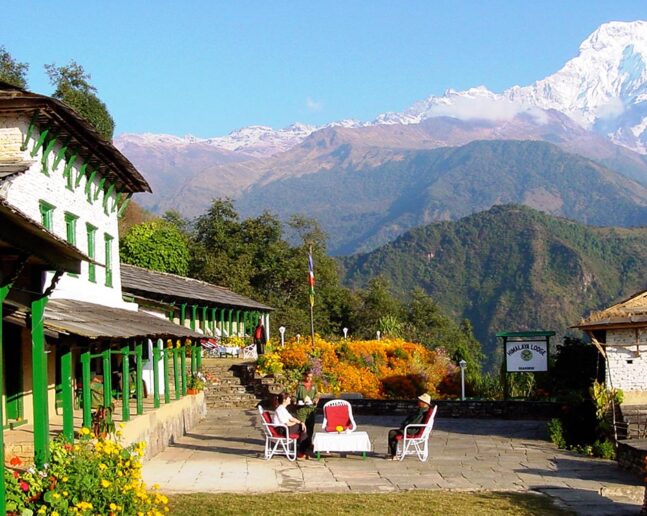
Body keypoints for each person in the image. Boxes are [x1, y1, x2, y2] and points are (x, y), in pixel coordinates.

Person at [387, 393, 432, 460]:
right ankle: (392, 454)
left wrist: (405, 424)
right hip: (411, 428)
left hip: (412, 430)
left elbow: (414, 422)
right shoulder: (422, 409)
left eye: (420, 401)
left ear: (424, 402)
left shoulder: (422, 411)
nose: (418, 402)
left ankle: (393, 454)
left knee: (392, 433)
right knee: (393, 432)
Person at [272, 392, 309, 459]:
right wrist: (299, 424)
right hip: (281, 430)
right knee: (302, 429)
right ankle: (301, 452)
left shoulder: (283, 409)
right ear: (284, 400)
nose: (290, 399)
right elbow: (287, 423)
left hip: (285, 428)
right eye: (289, 398)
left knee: (303, 430)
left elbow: (291, 418)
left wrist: (301, 422)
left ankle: (301, 452)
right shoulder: (280, 410)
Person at [295, 370, 319, 447]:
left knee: (310, 426)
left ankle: (309, 442)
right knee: (301, 426)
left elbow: (317, 395)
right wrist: (295, 401)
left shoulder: (314, 386)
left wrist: (315, 400)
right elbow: (294, 396)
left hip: (311, 408)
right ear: (305, 376)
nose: (309, 379)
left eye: (311, 377)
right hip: (302, 408)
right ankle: (300, 443)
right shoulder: (300, 386)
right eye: (308, 377)